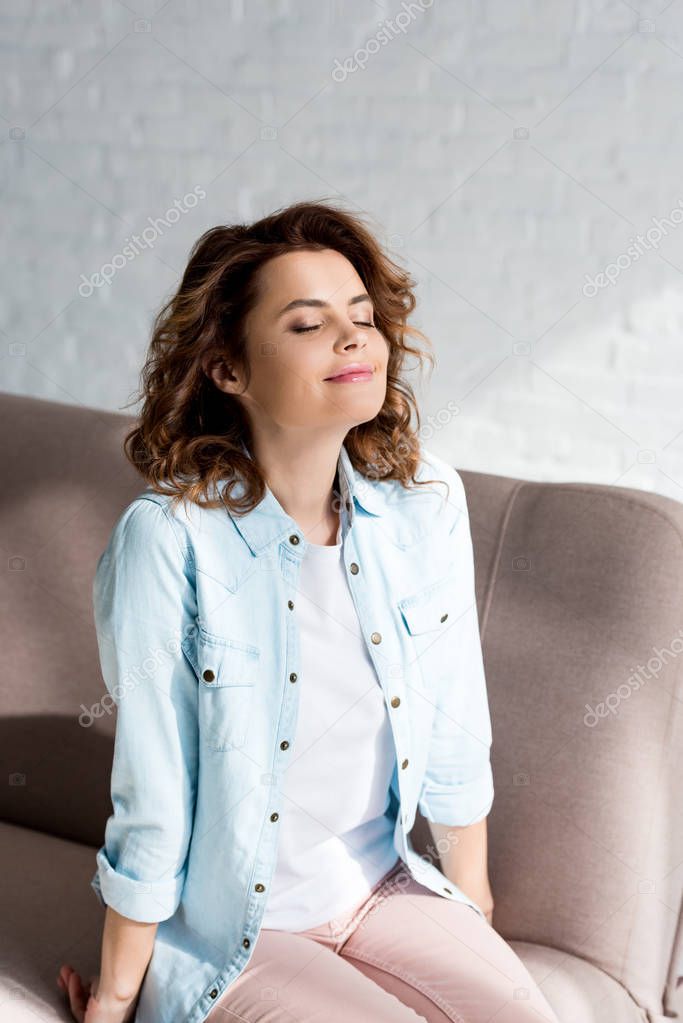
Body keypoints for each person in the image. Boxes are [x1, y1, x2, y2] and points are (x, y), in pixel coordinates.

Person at [57, 199, 560, 1023]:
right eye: (306, 324)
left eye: (361, 317)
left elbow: (456, 730)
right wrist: (116, 996)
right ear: (227, 368)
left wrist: (476, 926)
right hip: (243, 931)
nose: (353, 338)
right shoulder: (171, 539)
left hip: (384, 886)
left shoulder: (424, 501)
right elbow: (152, 789)